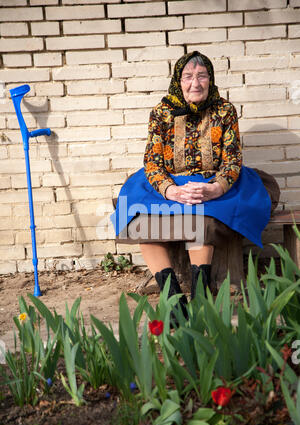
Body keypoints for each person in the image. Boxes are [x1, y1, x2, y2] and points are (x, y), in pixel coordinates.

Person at [111, 51, 280, 319]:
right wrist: (171, 190)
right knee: (139, 218)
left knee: (202, 219)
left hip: (211, 182)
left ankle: (200, 295)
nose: (195, 83)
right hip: (170, 184)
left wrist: (217, 188)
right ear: (179, 81)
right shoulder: (161, 112)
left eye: (202, 76)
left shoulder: (224, 110)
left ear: (210, 80)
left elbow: (233, 159)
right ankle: (173, 298)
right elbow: (152, 163)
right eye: (188, 77)